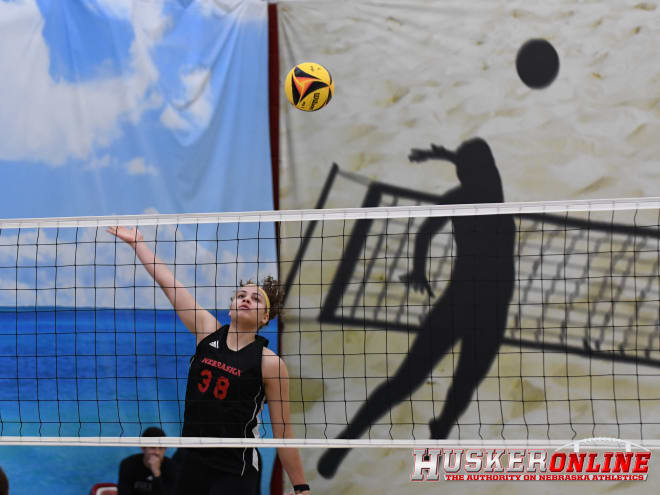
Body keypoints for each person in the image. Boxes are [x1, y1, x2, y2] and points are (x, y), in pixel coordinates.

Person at [318, 137, 516, 478]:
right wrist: (445, 155)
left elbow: (425, 230)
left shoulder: (459, 198)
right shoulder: (494, 197)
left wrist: (419, 269)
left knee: (405, 381)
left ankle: (348, 439)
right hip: (490, 312)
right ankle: (439, 432)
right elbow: (481, 167)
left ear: (463, 171)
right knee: (463, 385)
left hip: (457, 304)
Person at [107, 226, 311, 495]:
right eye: (241, 296)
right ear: (231, 307)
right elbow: (170, 284)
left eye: (255, 299)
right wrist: (139, 244)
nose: (246, 300)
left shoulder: (270, 363)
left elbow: (283, 432)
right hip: (192, 461)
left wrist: (301, 487)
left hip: (235, 469)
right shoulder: (208, 331)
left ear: (266, 318)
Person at [118, 426, 177, 495]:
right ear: (143, 448)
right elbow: (123, 492)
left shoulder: (172, 467)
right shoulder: (128, 464)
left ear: (165, 449)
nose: (157, 452)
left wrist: (156, 473)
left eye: (161, 448)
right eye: (152, 447)